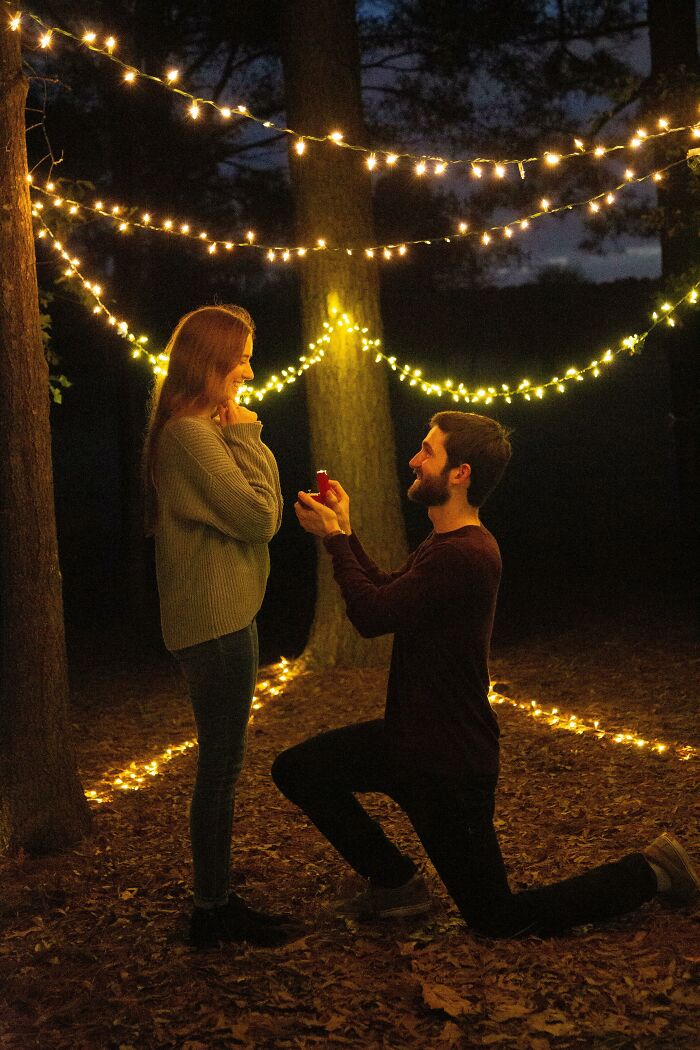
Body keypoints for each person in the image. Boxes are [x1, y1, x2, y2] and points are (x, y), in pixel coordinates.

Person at [272, 410, 699, 937]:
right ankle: (395, 882)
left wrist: (335, 540)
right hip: (408, 742)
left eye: (427, 451)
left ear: (460, 474)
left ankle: (650, 871)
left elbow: (371, 616)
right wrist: (347, 532)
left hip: (449, 764)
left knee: (497, 917)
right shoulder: (443, 546)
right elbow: (386, 593)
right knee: (299, 769)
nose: (413, 458)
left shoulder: (468, 556)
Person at [143, 304, 295, 949]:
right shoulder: (192, 436)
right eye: (242, 356)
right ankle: (213, 909)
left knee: (223, 765)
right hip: (216, 622)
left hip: (221, 615)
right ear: (212, 361)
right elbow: (261, 519)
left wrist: (237, 434)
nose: (251, 369)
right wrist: (249, 435)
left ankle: (216, 901)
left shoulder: (196, 431)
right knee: (222, 768)